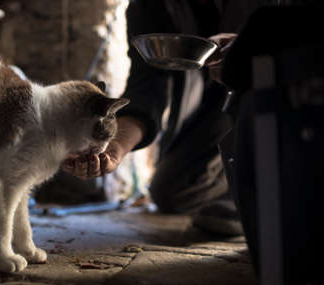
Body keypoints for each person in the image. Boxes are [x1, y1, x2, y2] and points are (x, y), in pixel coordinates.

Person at [62, 0, 271, 236]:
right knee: (171, 192)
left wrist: (248, 52)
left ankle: (259, 192)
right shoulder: (151, 6)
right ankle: (241, 183)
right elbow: (146, 91)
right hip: (214, 107)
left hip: (274, 93)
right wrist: (114, 149)